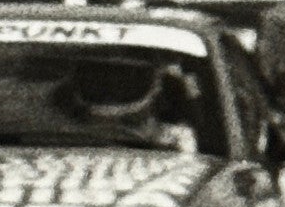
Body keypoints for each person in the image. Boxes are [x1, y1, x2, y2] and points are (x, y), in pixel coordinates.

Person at [55, 56, 201, 152]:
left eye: (127, 79)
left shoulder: (176, 141)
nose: (113, 84)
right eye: (101, 78)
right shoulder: (54, 135)